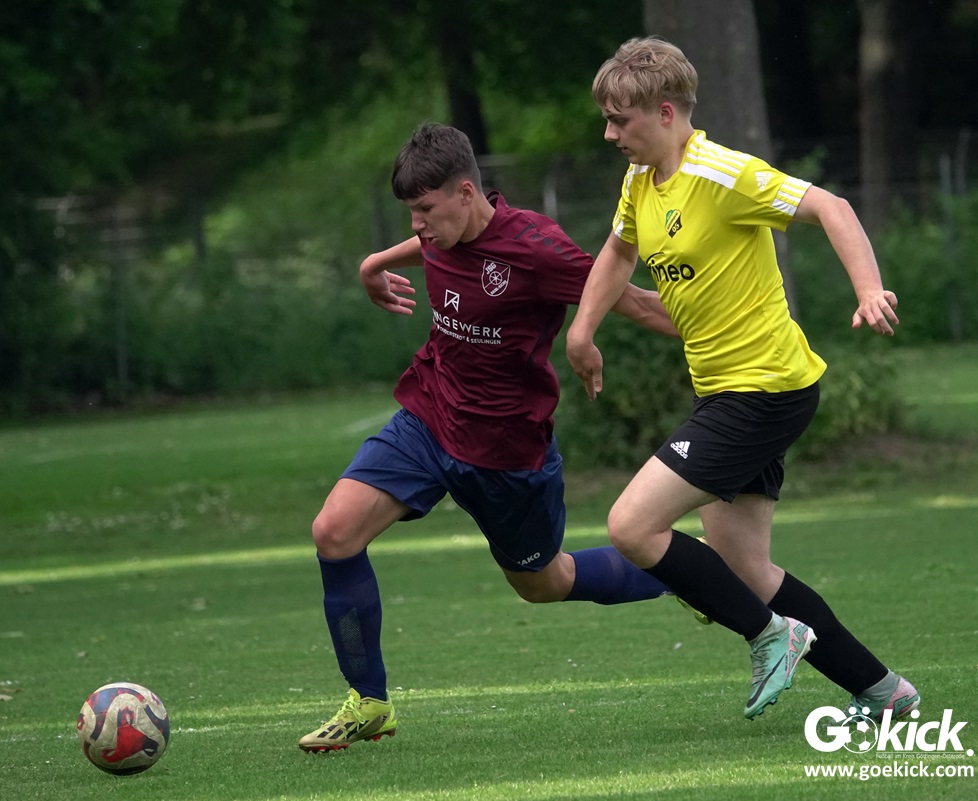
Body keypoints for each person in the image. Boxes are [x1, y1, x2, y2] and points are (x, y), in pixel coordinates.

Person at [299, 122, 686, 753]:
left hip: (507, 452)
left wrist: (727, 326)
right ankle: (368, 701)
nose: (418, 225)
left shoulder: (537, 249)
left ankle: (685, 573)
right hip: (428, 417)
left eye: (425, 210)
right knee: (333, 532)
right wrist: (373, 265)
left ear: (465, 192)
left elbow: (636, 302)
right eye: (410, 212)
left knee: (545, 583)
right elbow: (428, 247)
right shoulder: (442, 231)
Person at [566, 36, 919, 721]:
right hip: (727, 391)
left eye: (619, 121)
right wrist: (582, 331)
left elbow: (833, 207)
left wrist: (868, 288)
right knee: (745, 571)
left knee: (631, 526)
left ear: (665, 112)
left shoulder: (723, 173)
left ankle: (769, 635)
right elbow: (617, 251)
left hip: (764, 389)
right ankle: (884, 692)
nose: (610, 135)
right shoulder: (640, 181)